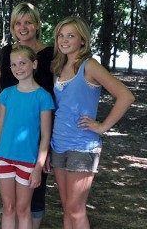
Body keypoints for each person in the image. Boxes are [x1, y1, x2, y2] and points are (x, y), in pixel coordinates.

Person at [49, 16, 135, 229]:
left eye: (71, 35)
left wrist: (102, 126)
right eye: (61, 35)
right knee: (67, 207)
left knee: (76, 210)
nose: (64, 40)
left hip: (82, 145)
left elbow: (126, 96)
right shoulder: (60, 66)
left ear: (83, 40)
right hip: (58, 144)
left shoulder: (90, 66)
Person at [0, 2, 54, 229]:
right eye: (18, 23)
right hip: (10, 137)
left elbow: (54, 93)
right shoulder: (6, 53)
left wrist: (45, 151)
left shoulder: (50, 54)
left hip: (37, 134)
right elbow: (2, 93)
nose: (23, 27)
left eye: (28, 22)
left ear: (37, 25)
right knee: (11, 204)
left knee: (34, 196)